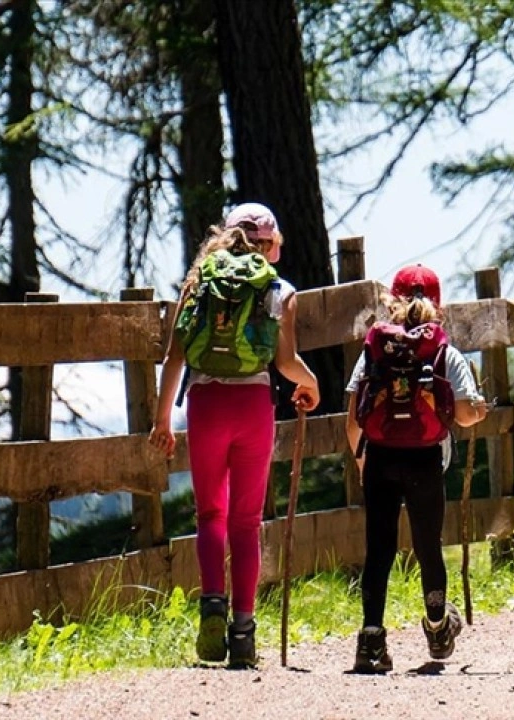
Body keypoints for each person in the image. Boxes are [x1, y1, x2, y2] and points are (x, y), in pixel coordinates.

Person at [149, 202, 320, 668]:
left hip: (205, 405)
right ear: (272, 245)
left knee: (210, 515)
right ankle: (243, 632)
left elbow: (175, 358)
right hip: (253, 407)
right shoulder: (279, 291)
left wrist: (163, 420)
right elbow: (285, 363)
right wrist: (311, 384)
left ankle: (211, 606)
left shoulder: (199, 283)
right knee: (246, 522)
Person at [345, 264, 488, 673]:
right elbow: (462, 414)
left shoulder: (374, 351)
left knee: (379, 550)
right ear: (438, 305)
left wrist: (361, 459)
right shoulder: (445, 352)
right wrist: (478, 410)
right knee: (428, 547)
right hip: (426, 459)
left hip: (381, 457)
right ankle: (438, 627)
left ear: (392, 301)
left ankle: (371, 641)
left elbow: (354, 415)